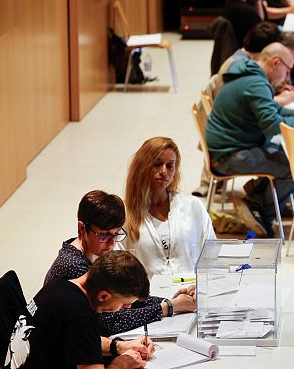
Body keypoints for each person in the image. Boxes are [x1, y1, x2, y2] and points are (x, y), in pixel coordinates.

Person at [205, 42, 294, 236]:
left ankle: (258, 198)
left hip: (231, 147)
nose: (287, 77)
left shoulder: (249, 76)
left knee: (282, 155)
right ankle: (258, 210)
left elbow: (274, 109)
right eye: (287, 71)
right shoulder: (256, 83)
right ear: (276, 63)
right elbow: (271, 124)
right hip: (229, 155)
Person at [44, 190, 195, 335]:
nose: (111, 244)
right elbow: (111, 322)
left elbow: (122, 297)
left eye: (116, 234)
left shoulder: (90, 251)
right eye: (103, 235)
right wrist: (169, 307)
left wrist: (171, 301)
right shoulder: (75, 266)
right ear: (82, 228)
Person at [15, 251, 154, 369]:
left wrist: (119, 346)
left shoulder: (58, 285)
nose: (126, 308)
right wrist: (120, 365)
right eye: (124, 304)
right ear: (103, 296)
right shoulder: (79, 316)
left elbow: (83, 341)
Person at [117, 137, 215, 279]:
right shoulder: (125, 213)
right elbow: (116, 266)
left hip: (190, 292)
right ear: (142, 167)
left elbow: (212, 255)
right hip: (148, 298)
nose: (164, 171)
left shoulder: (193, 207)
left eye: (170, 166)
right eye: (157, 164)